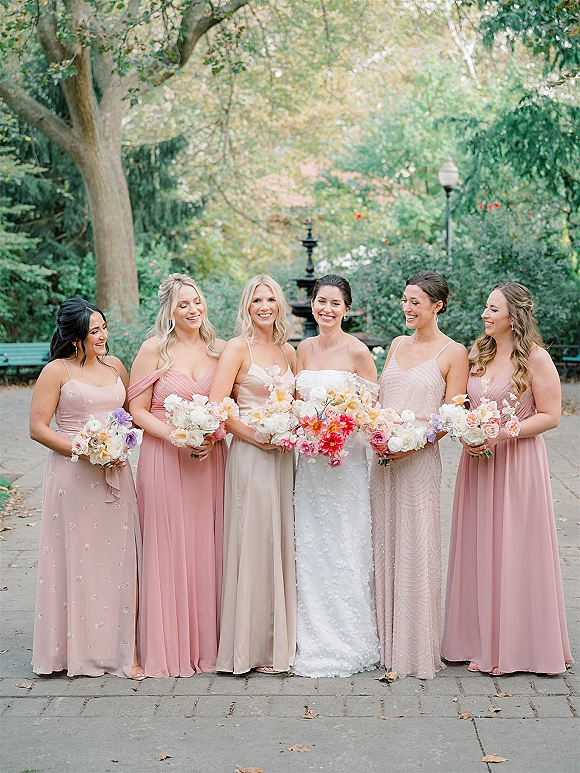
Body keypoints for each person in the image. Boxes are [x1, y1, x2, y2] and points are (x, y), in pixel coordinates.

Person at [442, 282, 573, 675]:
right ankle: (475, 640)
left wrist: (502, 432)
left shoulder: (536, 358)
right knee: (479, 546)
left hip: (517, 464)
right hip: (478, 465)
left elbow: (551, 416)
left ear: (514, 317)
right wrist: (466, 432)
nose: (485, 314)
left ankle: (514, 648)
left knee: (514, 549)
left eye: (493, 309)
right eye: (486, 307)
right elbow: (462, 406)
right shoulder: (477, 354)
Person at [29, 298, 142, 679]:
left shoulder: (115, 367)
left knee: (119, 558)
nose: (103, 335)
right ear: (76, 337)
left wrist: (119, 444)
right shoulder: (56, 371)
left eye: (104, 327)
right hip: (74, 475)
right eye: (95, 331)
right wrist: (87, 450)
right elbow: (38, 428)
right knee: (78, 559)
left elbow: (129, 416)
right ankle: (71, 651)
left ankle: (121, 650)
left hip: (116, 476)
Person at [370, 271, 469, 680]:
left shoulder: (454, 352)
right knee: (384, 542)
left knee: (416, 545)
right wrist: (378, 431)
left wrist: (412, 443)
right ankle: (385, 643)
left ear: (437, 306)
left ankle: (414, 650)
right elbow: (380, 399)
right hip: (383, 461)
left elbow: (452, 415)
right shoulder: (396, 344)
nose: (407, 308)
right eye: (405, 300)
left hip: (419, 461)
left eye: (415, 302)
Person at [128, 274, 227, 677]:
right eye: (183, 304)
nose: (192, 309)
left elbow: (230, 404)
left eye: (197, 301)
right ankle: (167, 647)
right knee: (167, 547)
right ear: (169, 310)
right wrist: (176, 435)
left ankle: (208, 645)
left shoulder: (220, 350)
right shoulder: (153, 350)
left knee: (206, 546)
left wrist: (212, 435)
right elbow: (136, 410)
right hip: (164, 457)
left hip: (209, 459)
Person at [293, 274, 380, 677]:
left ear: (346, 309)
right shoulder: (303, 349)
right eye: (321, 301)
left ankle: (351, 639)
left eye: (335, 303)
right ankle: (309, 636)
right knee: (311, 546)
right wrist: (306, 429)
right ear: (312, 304)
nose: (326, 309)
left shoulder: (358, 352)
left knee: (344, 543)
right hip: (311, 466)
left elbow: (371, 414)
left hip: (345, 463)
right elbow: (296, 405)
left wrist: (341, 428)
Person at [209, 275, 297, 675]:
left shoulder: (288, 350)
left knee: (280, 540)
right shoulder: (236, 348)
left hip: (283, 458)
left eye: (271, 300)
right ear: (247, 306)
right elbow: (218, 406)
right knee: (255, 541)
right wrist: (256, 436)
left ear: (280, 305)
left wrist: (291, 429)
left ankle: (278, 643)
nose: (264, 306)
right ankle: (249, 649)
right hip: (250, 453)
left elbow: (297, 403)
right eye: (257, 300)